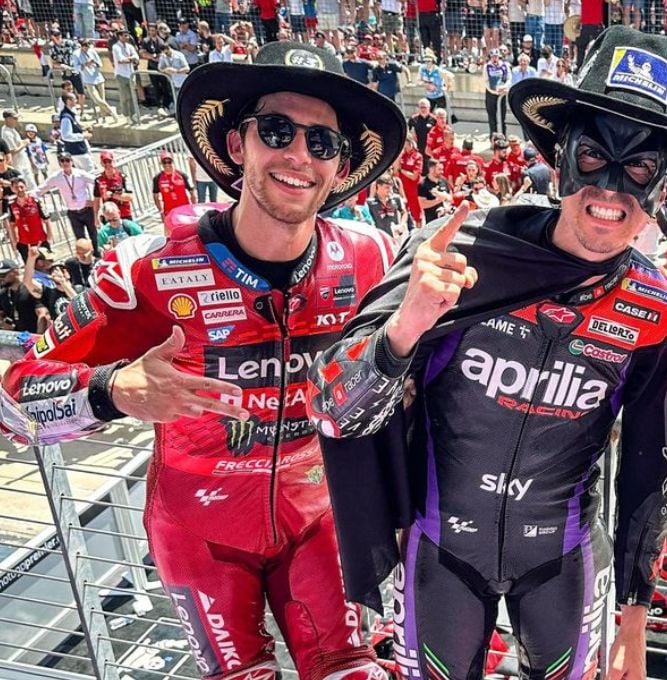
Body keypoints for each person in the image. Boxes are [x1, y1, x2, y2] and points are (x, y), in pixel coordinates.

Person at [306, 26, 667, 679]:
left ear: (665, 186)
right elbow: (330, 409)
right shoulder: (455, 249)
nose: (610, 191)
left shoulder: (660, 309)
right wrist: (405, 327)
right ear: (560, 157)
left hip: (565, 561)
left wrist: (634, 621)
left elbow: (649, 468)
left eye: (640, 168)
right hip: (440, 552)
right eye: (593, 155)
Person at [0, 41, 408, 680]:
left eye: (322, 142)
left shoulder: (374, 256)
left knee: (353, 669)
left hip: (322, 520)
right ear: (237, 142)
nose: (299, 155)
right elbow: (12, 403)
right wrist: (112, 389)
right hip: (199, 534)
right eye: (277, 131)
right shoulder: (145, 266)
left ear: (341, 167)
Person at [34, 154, 98, 250]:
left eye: (67, 160)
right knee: (80, 239)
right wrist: (27, 196)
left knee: (94, 235)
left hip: (87, 210)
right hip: (73, 213)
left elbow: (96, 182)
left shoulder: (80, 173)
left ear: (71, 161)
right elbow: (42, 188)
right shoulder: (56, 176)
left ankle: (97, 253)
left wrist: (94, 200)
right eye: (62, 160)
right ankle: (85, 256)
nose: (65, 163)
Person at [6, 177, 49, 260]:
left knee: (46, 264)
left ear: (25, 187)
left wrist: (49, 238)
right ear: (12, 189)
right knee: (30, 266)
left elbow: (47, 220)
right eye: (16, 187)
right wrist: (15, 241)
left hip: (41, 240)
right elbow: (12, 225)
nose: (19, 189)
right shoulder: (11, 206)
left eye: (21, 187)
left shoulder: (36, 201)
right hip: (24, 243)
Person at [151, 152, 196, 220]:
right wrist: (161, 212)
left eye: (169, 162)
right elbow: (155, 196)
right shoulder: (157, 178)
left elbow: (192, 191)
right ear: (161, 164)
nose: (167, 164)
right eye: (164, 162)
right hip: (169, 211)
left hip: (184, 209)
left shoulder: (182, 175)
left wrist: (193, 207)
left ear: (173, 162)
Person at [93, 150, 135, 223]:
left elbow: (130, 197)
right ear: (101, 163)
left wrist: (112, 195)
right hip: (108, 217)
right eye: (105, 162)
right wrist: (96, 217)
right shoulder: (98, 180)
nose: (107, 164)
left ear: (113, 161)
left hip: (124, 214)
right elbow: (96, 200)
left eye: (109, 161)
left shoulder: (122, 177)